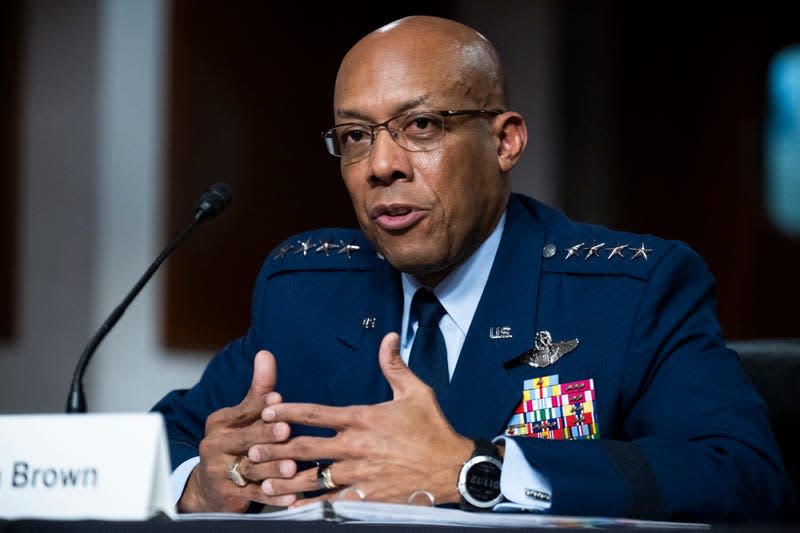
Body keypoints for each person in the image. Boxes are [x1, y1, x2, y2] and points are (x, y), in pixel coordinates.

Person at [151, 15, 797, 522]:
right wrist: (199, 484)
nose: (382, 165)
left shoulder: (630, 293)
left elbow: (743, 474)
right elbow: (166, 437)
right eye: (354, 136)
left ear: (505, 140)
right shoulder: (306, 290)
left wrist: (477, 468)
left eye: (422, 125)